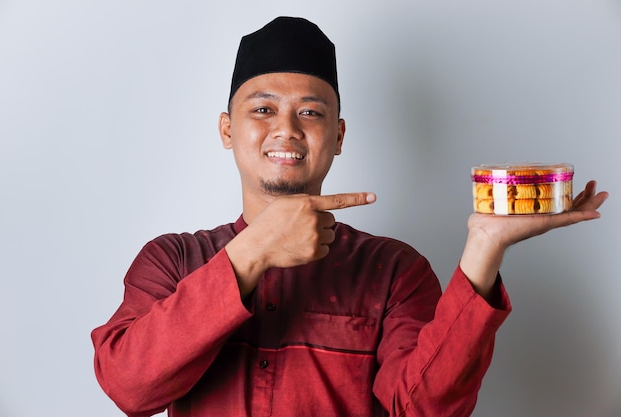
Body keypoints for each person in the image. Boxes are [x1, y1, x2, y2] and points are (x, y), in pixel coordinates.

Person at [91, 16, 608, 417]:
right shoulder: (172, 260)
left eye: (311, 112)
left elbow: (423, 409)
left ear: (337, 136)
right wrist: (252, 252)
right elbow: (129, 387)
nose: (287, 130)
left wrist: (485, 247)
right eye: (263, 109)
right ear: (228, 130)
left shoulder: (393, 271)